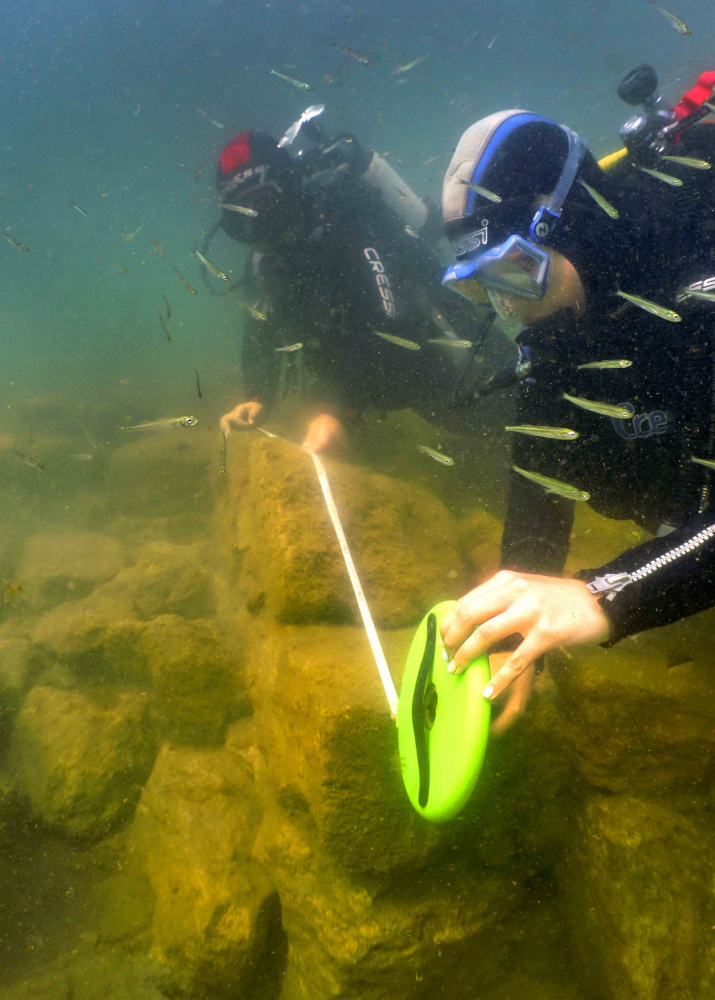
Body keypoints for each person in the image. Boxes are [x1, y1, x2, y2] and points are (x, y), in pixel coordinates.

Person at [436, 74, 715, 733]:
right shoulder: (562, 330)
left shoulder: (697, 276)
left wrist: (602, 596)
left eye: (511, 272)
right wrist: (516, 619)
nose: (507, 307)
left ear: (573, 224)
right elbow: (540, 478)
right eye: (483, 290)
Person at [213, 118, 491, 452]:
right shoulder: (267, 261)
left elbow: (391, 330)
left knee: (500, 420)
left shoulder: (348, 222)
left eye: (264, 207)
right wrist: (258, 397)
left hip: (436, 352)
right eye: (239, 219)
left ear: (289, 188)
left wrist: (337, 410)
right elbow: (260, 328)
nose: (256, 227)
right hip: (364, 386)